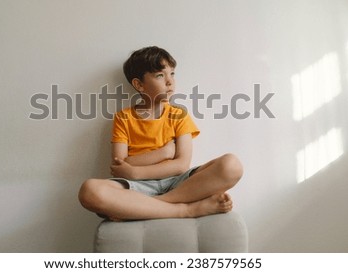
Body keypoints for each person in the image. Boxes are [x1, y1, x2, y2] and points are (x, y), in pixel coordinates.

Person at [79, 46, 243, 221]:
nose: (169, 81)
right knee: (89, 191)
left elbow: (181, 165)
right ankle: (186, 210)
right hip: (137, 186)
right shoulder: (123, 118)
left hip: (178, 184)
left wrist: (134, 169)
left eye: (172, 73)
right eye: (159, 75)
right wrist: (164, 153)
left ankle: (150, 205)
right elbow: (119, 166)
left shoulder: (178, 114)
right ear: (139, 84)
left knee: (232, 165)